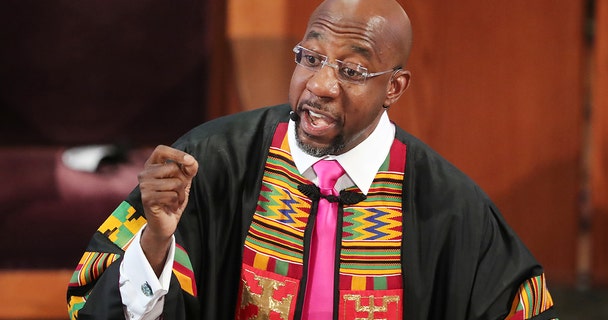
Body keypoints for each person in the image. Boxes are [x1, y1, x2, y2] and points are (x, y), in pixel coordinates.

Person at [67, 0, 558, 319]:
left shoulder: (451, 206)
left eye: (351, 69)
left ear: (394, 87)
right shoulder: (210, 163)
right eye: (310, 58)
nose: (320, 85)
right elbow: (96, 302)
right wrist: (156, 240)